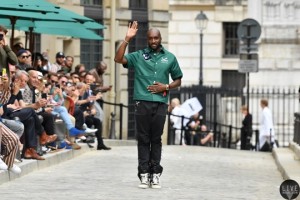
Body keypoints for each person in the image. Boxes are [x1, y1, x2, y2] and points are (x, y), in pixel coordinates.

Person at [114, 21, 183, 189]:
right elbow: (118, 59)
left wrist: (165, 86)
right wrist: (127, 39)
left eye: (156, 38)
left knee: (156, 139)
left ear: (160, 38)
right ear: (147, 39)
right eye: (150, 38)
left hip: (160, 103)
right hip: (142, 102)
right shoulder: (138, 56)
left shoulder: (170, 57)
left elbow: (178, 80)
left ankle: (155, 173)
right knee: (143, 139)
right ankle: (144, 174)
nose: (153, 41)